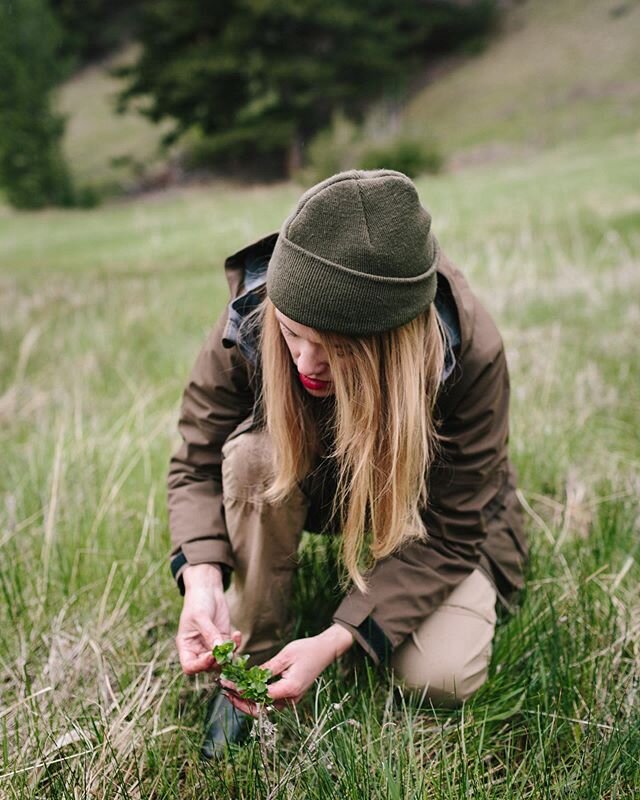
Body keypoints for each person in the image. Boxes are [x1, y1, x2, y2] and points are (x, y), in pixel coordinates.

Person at [167, 169, 527, 757]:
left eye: (336, 350)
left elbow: (456, 526)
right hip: (316, 479)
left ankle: (363, 628)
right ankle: (254, 663)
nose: (306, 361)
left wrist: (338, 637)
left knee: (441, 674)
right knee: (254, 457)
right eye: (293, 332)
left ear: (393, 344)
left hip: (427, 510)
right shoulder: (253, 316)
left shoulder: (470, 353)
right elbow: (197, 458)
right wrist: (203, 575)